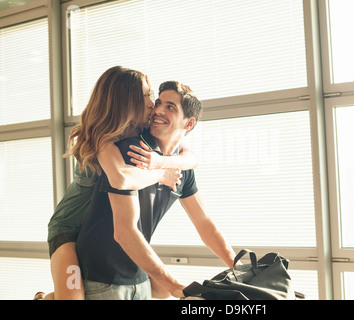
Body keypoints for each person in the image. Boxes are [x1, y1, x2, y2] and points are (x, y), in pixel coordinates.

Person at [39, 66, 198, 300]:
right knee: (72, 298)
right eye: (146, 95)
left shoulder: (139, 130)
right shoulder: (102, 138)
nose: (152, 103)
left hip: (93, 232)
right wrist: (161, 172)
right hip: (68, 231)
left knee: (161, 292)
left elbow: (191, 156)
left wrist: (163, 161)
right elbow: (121, 178)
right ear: (126, 99)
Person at [75, 80, 237, 300]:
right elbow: (124, 232)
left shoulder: (180, 166)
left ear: (189, 124)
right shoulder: (131, 150)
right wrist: (175, 287)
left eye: (170, 107)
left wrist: (239, 267)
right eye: (158, 102)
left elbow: (204, 222)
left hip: (137, 275)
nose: (157, 110)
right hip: (103, 276)